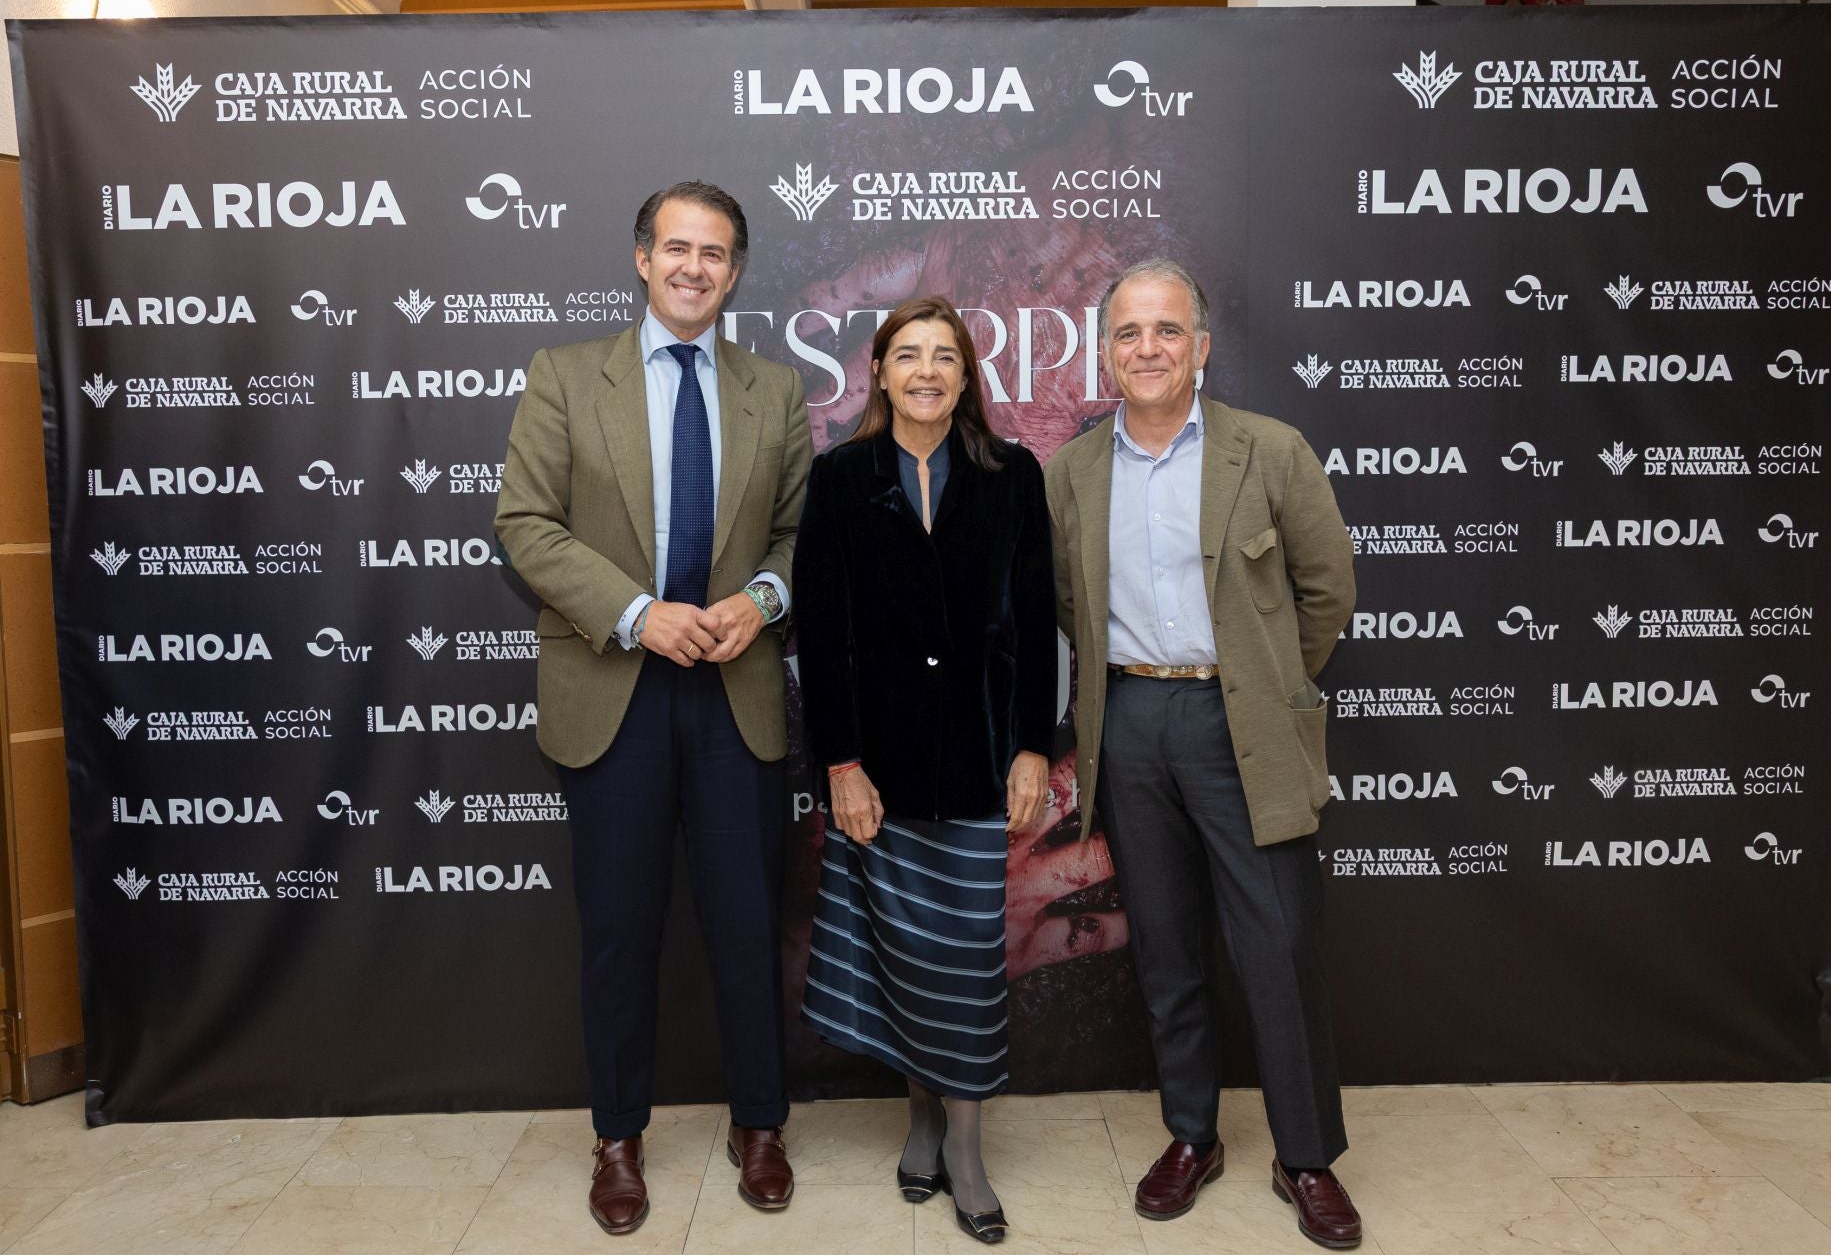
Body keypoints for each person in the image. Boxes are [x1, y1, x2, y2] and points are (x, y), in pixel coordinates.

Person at [494, 181, 812, 1236]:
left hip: (737, 694)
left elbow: (801, 541)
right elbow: (527, 524)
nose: (693, 267)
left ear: (735, 271)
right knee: (618, 932)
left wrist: (760, 600)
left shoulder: (777, 392)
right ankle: (618, 1135)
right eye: (675, 247)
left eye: (714, 253)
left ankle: (759, 1123)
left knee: (747, 925)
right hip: (611, 692)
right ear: (641, 258)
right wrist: (638, 613)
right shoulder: (563, 378)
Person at [1043, 259, 1363, 1250]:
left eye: (1168, 330)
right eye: (1129, 332)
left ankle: (1304, 1155)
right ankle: (1193, 1134)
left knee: (1276, 941)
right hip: (1129, 723)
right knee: (1171, 948)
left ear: (1202, 347)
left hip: (1240, 725)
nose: (1148, 348)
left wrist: (1259, 688)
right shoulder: (1070, 472)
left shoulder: (1270, 451)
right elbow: (1065, 605)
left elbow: (1328, 593)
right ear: (1105, 353)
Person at [794, 296, 1056, 1246]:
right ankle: (918, 1121)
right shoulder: (840, 478)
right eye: (909, 355)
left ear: (966, 376)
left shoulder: (1012, 473)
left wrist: (1034, 744)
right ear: (880, 371)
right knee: (902, 953)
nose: (928, 371)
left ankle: (968, 1146)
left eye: (946, 356)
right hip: (883, 769)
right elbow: (821, 639)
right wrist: (842, 763)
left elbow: (1035, 622)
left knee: (966, 961)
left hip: (981, 763)